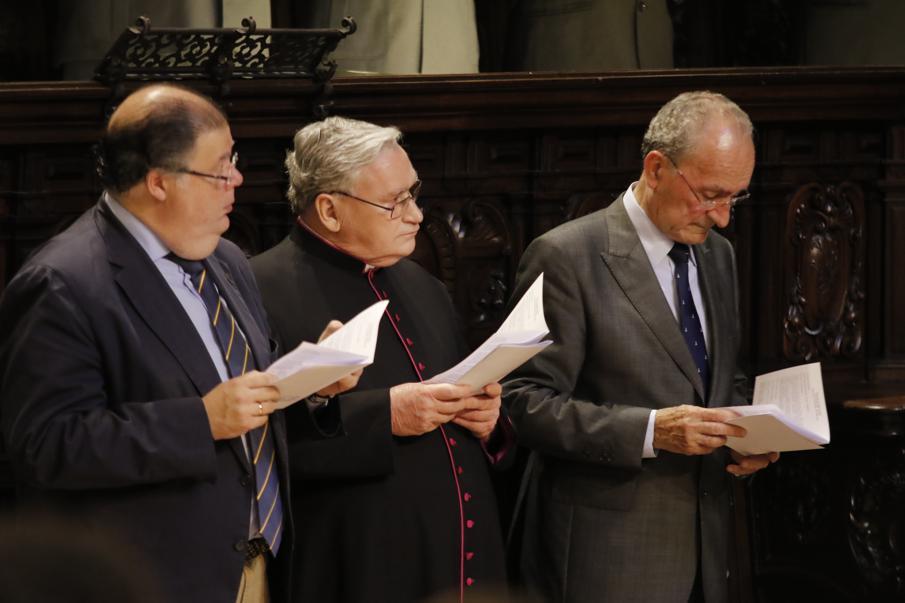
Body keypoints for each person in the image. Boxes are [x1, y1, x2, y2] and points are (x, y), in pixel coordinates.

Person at [0, 83, 347, 603]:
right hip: (154, 580)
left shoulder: (226, 258)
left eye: (234, 161)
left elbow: (248, 399)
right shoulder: (63, 283)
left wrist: (315, 384)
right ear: (159, 182)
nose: (237, 180)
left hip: (257, 564)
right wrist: (200, 421)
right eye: (219, 170)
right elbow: (45, 445)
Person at [503, 91, 779, 603]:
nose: (722, 217)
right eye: (711, 195)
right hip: (606, 558)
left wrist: (748, 431)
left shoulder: (718, 255)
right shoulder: (566, 256)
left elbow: (718, 377)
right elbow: (522, 402)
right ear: (656, 169)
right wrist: (652, 431)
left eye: (735, 198)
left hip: (708, 549)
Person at [251, 116, 514, 602]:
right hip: (359, 564)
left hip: (458, 557)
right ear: (330, 210)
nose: (416, 216)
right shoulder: (257, 291)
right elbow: (255, 443)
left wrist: (487, 420)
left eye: (413, 194)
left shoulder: (423, 285)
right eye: (395, 202)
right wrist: (384, 415)